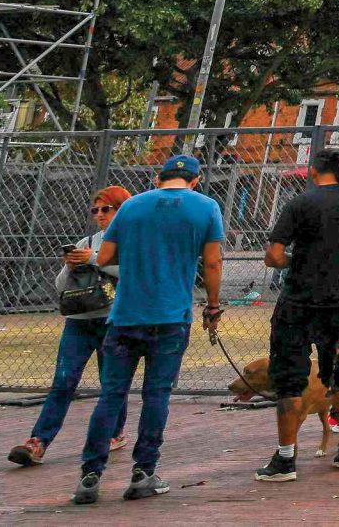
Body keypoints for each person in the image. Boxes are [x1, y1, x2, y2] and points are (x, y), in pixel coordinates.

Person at [72, 155, 224, 506]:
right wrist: (213, 307)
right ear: (196, 180)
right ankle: (144, 471)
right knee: (156, 394)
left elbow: (106, 256)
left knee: (112, 394)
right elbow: (213, 261)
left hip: (126, 315)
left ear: (158, 178)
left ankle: (90, 475)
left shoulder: (131, 207)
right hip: (171, 315)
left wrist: (140, 251)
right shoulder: (206, 207)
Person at [256, 147, 339, 483]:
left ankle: (286, 459)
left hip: (298, 301)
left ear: (315, 170)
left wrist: (294, 261)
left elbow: (274, 255)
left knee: (289, 380)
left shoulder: (301, 203)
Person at [11, 184, 131, 468]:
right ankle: (38, 441)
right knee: (63, 381)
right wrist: (71, 264)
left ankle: (115, 432)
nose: (100, 215)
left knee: (111, 382)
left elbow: (132, 272)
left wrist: (93, 259)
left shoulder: (131, 240)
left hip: (113, 319)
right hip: (79, 320)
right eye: (96, 210)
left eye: (107, 209)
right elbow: (60, 285)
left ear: (121, 210)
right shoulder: (87, 240)